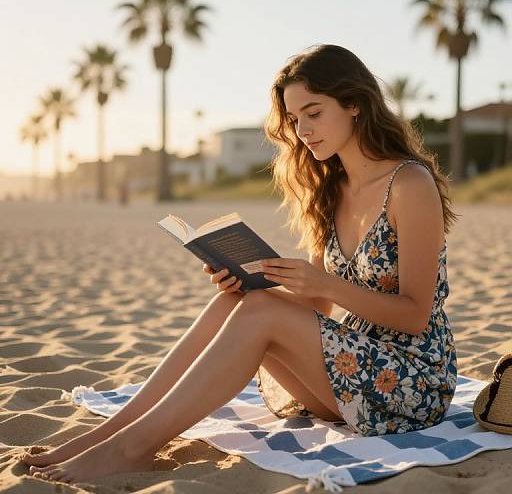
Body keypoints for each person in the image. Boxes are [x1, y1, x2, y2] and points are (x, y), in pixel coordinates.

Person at [20, 44, 459, 484]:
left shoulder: (408, 184)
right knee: (237, 302)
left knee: (260, 309)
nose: (302, 129)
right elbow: (317, 312)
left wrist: (323, 285)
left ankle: (132, 449)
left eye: (313, 112)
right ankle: (108, 435)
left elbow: (416, 316)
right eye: (294, 119)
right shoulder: (332, 189)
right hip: (351, 373)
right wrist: (252, 282)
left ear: (355, 106)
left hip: (413, 382)